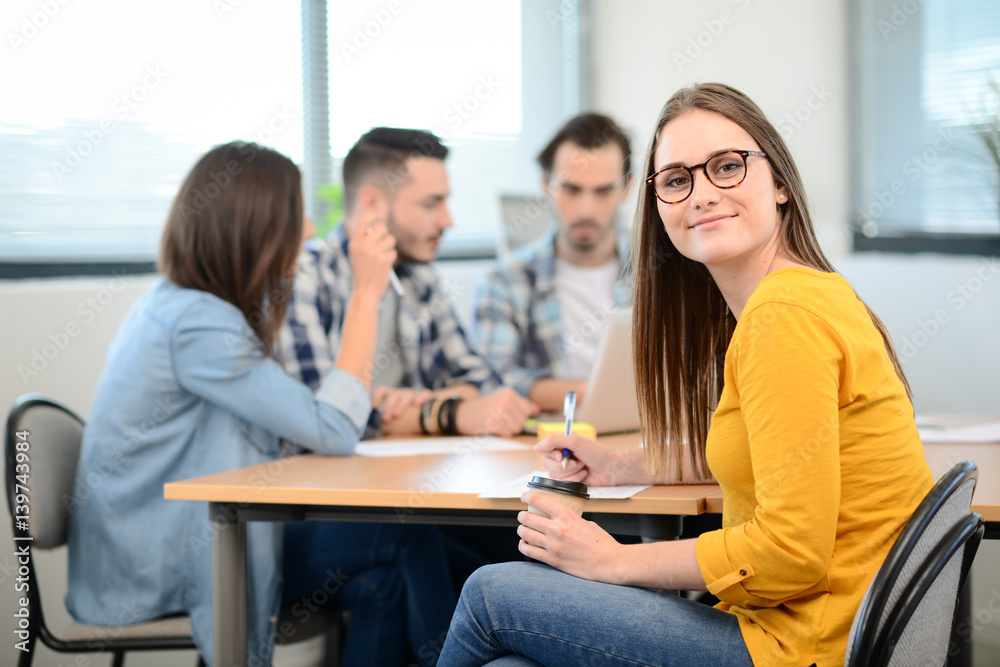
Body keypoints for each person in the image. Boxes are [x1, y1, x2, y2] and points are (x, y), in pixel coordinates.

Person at [437, 83, 934, 666]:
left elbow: (790, 553)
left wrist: (611, 561)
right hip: (812, 626)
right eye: (676, 179)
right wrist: (624, 465)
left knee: (489, 593)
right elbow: (771, 461)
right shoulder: (798, 297)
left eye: (727, 166)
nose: (701, 194)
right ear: (657, 205)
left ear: (779, 184)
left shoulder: (783, 318)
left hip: (802, 645)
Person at [65, 142, 456, 667]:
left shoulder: (186, 307)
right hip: (159, 560)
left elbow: (300, 426)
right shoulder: (198, 325)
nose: (312, 229)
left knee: (380, 585)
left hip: (190, 533)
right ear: (255, 228)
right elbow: (335, 428)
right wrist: (367, 294)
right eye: (297, 213)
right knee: (407, 536)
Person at [281, 127, 538, 439]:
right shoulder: (305, 278)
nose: (448, 221)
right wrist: (442, 414)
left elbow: (482, 380)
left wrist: (426, 405)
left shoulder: (419, 277)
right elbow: (320, 417)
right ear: (372, 203)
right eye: (431, 204)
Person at [472, 113, 634, 412]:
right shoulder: (505, 280)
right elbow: (490, 382)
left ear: (627, 188)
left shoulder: (663, 274)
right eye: (571, 190)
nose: (586, 210)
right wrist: (599, 393)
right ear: (545, 183)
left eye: (603, 191)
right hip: (546, 445)